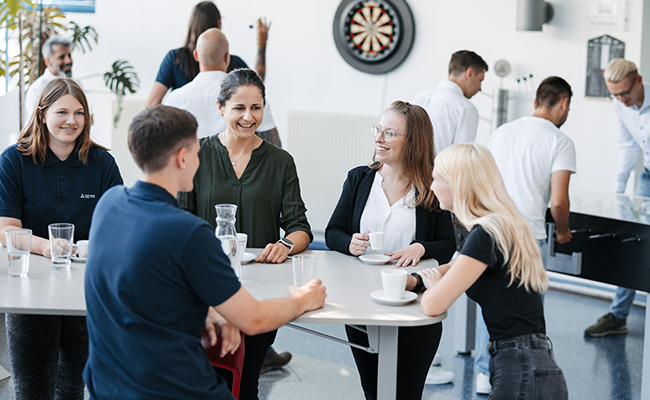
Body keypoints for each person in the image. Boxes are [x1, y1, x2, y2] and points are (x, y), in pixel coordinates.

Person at [83, 104, 326, 399]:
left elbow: (149, 284)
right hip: (173, 390)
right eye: (197, 151)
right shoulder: (189, 233)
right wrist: (300, 299)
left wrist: (211, 309)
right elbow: (254, 319)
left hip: (108, 386)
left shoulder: (109, 204)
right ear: (182, 158)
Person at [178, 68, 311, 399]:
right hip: (202, 287)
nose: (249, 117)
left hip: (259, 291)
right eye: (239, 108)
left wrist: (285, 244)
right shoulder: (197, 154)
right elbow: (178, 219)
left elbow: (299, 227)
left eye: (256, 107)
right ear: (220, 107)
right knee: (202, 381)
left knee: (247, 381)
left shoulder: (281, 161)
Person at [411, 143, 568, 399]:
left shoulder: (485, 234)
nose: (431, 187)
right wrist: (412, 280)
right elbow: (455, 267)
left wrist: (431, 287)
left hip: (521, 367)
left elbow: (432, 305)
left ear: (456, 184)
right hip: (530, 362)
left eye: (436, 178)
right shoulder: (500, 224)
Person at [0, 78, 123, 400]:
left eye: (79, 113)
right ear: (42, 114)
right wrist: (45, 246)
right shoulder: (14, 161)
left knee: (71, 389)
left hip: (85, 289)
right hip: (29, 290)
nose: (72, 121)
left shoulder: (103, 164)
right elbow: (6, 228)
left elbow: (120, 226)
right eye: (62, 112)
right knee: (31, 390)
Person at [325, 100, 456, 400]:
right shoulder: (359, 179)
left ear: (413, 142)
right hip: (362, 302)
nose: (379, 139)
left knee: (406, 394)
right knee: (374, 392)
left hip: (412, 305)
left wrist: (421, 247)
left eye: (390, 133)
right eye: (378, 130)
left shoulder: (431, 187)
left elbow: (448, 246)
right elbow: (333, 232)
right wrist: (350, 243)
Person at [584, 58, 650, 337]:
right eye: (614, 94)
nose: (621, 100)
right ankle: (618, 315)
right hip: (647, 176)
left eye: (625, 93)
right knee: (634, 241)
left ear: (638, 80)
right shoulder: (620, 105)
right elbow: (627, 145)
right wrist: (619, 193)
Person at [164, 28, 280, 146]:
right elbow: (274, 146)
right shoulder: (252, 97)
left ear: (196, 55)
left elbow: (164, 147)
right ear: (227, 58)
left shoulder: (175, 99)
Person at [145, 1, 270, 107]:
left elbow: (152, 104)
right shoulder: (233, 62)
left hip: (186, 133)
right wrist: (261, 45)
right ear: (219, 24)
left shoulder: (175, 58)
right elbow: (257, 81)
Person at [412, 50, 488, 155]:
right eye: (480, 80)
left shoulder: (420, 97)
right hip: (441, 171)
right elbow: (460, 160)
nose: (480, 88)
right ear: (469, 74)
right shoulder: (466, 109)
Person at [24, 35, 73, 124]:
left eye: (69, 55)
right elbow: (32, 127)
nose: (68, 60)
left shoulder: (74, 84)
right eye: (61, 57)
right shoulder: (38, 90)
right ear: (48, 61)